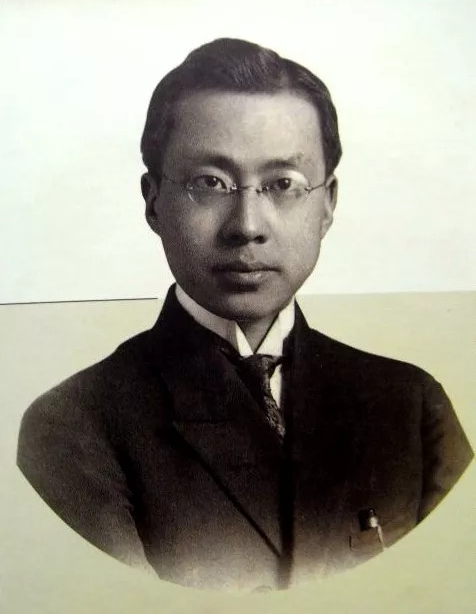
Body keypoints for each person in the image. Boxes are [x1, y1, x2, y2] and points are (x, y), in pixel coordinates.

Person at [17, 38, 472, 592]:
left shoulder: (412, 405)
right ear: (154, 202)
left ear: (328, 204)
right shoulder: (72, 428)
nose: (248, 225)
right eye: (209, 183)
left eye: (283, 185)